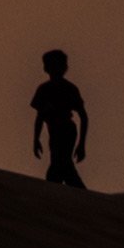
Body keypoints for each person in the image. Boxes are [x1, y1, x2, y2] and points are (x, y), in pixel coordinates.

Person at [30, 50, 90, 187]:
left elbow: (83, 116)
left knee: (59, 164)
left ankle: (54, 192)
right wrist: (36, 139)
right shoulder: (44, 89)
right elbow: (40, 116)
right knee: (62, 165)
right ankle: (77, 194)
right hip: (54, 131)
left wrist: (81, 144)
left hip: (66, 130)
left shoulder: (69, 89)